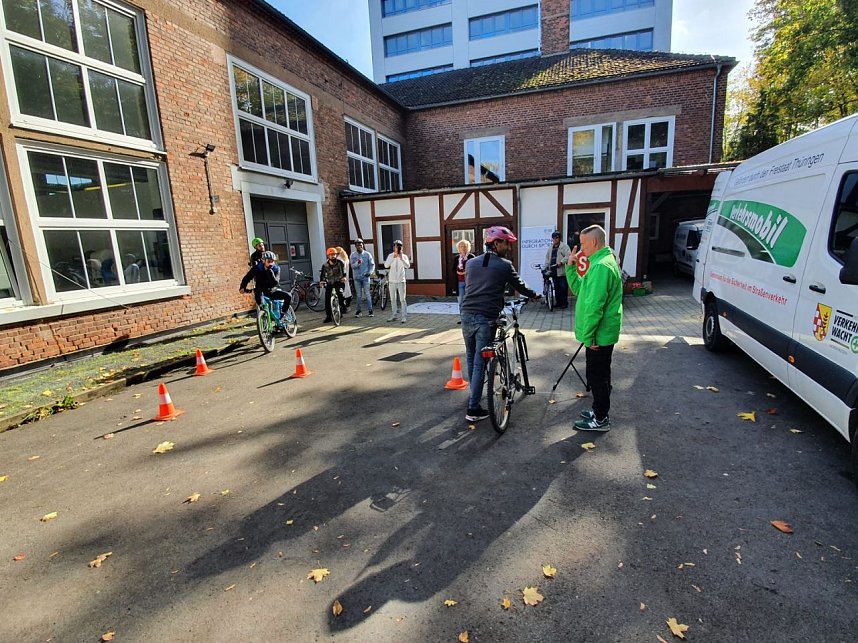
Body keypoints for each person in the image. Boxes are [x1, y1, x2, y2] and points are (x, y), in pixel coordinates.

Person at [460, 225, 539, 422]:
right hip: (486, 318)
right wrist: (535, 295)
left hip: (466, 315)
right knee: (480, 363)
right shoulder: (504, 265)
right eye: (506, 244)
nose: (509, 248)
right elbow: (520, 286)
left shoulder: (471, 263)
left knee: (471, 358)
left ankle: (474, 396)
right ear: (496, 243)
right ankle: (473, 409)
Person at [564, 224, 623, 432]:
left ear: (594, 242)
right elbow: (580, 289)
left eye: (583, 244)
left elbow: (594, 306)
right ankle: (599, 410)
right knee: (601, 374)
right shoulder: (600, 262)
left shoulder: (600, 266)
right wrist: (570, 267)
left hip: (599, 334)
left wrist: (589, 336)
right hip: (601, 332)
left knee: (597, 376)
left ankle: (600, 418)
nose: (581, 249)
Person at [239, 250, 292, 327]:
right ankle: (264, 322)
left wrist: (269, 271)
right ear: (263, 261)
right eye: (269, 261)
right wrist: (242, 287)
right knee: (262, 306)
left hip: (271, 290)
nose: (271, 263)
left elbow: (275, 282)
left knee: (288, 296)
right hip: (260, 290)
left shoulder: (276, 269)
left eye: (272, 261)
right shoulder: (257, 268)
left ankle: (283, 315)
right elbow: (247, 277)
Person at [384, 240, 411, 323]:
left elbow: (407, 266)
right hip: (392, 281)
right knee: (392, 299)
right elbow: (386, 265)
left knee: (402, 299)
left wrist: (401, 258)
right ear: (394, 247)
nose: (398, 248)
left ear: (401, 247)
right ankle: (394, 315)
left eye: (399, 246)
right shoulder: (390, 256)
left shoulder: (404, 256)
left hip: (401, 281)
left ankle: (404, 316)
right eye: (396, 246)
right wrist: (394, 257)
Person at [544, 231, 571, 309]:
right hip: (553, 271)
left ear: (559, 238)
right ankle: (558, 303)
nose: (555, 240)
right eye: (553, 238)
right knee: (556, 288)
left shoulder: (565, 247)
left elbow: (568, 256)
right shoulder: (550, 248)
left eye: (557, 238)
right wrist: (546, 267)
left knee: (563, 287)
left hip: (562, 271)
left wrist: (561, 262)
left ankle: (564, 303)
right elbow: (547, 258)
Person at [319, 247, 346, 323]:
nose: (332, 256)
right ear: (328, 256)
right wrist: (322, 281)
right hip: (330, 283)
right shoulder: (325, 265)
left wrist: (343, 277)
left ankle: (342, 306)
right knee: (327, 298)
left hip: (339, 281)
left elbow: (343, 272)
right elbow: (322, 275)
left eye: (334, 254)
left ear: (336, 255)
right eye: (331, 255)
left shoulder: (340, 263)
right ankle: (328, 316)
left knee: (340, 293)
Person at [350, 238, 375, 317]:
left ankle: (370, 311)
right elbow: (352, 266)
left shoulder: (367, 254)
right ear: (355, 246)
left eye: (361, 245)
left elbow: (372, 265)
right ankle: (359, 311)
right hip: (357, 278)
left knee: (367, 294)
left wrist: (370, 272)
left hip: (365, 277)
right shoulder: (353, 255)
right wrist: (358, 263)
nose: (359, 246)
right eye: (358, 245)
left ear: (363, 245)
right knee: (359, 295)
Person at [454, 239, 475, 323]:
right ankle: (463, 319)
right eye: (460, 246)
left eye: (464, 246)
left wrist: (465, 272)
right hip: (459, 282)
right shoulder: (457, 258)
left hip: (469, 282)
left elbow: (474, 268)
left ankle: (471, 318)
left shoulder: (471, 257)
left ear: (468, 247)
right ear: (458, 248)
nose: (462, 248)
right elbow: (453, 269)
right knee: (461, 301)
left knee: (470, 301)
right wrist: (457, 272)